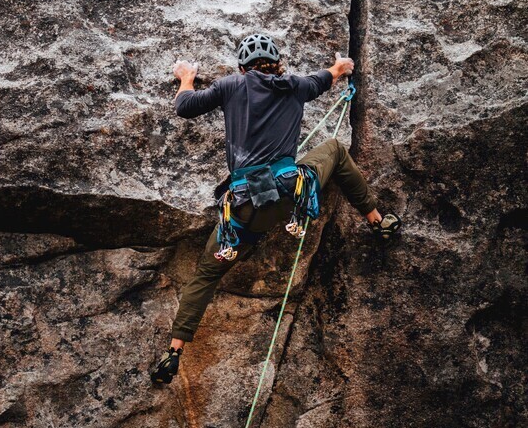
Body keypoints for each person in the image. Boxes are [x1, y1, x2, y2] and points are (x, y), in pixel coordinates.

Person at [151, 33, 401, 385]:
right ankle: (377, 221)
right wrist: (341, 66)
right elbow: (329, 76)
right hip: (289, 195)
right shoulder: (296, 86)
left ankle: (174, 351)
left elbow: (185, 106)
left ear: (243, 67)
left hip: (242, 210)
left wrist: (187, 77)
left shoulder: (231, 85)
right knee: (333, 149)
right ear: (277, 63)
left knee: (206, 275)